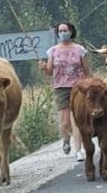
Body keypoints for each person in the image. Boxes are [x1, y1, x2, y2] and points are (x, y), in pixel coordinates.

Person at [39, 21, 91, 161]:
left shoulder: (80, 50)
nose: (63, 33)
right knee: (65, 122)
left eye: (65, 30)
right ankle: (66, 139)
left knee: (76, 119)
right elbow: (49, 72)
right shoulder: (53, 51)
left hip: (78, 87)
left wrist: (89, 86)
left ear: (71, 31)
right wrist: (44, 67)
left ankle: (79, 150)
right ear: (57, 33)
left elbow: (87, 71)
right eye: (60, 31)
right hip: (61, 87)